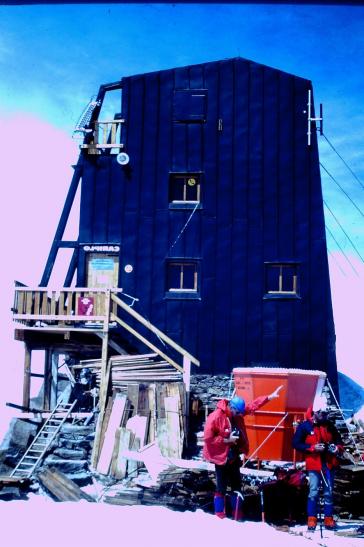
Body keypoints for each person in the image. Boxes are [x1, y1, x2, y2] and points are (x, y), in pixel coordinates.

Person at [203, 385, 283, 519]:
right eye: (239, 413)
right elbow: (208, 438)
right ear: (232, 408)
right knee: (221, 487)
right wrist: (226, 440)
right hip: (221, 458)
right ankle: (219, 515)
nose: (241, 415)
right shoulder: (216, 416)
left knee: (236, 487)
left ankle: (237, 515)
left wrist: (269, 397)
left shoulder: (236, 412)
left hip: (233, 456)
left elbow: (252, 406)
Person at [292, 401, 343, 531]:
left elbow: (339, 440)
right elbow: (296, 443)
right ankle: (312, 518)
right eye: (323, 414)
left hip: (328, 463)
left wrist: (337, 448)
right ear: (316, 412)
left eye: (326, 414)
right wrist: (312, 448)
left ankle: (328, 518)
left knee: (328, 492)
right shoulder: (305, 426)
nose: (325, 417)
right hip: (314, 464)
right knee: (313, 492)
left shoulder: (329, 425)